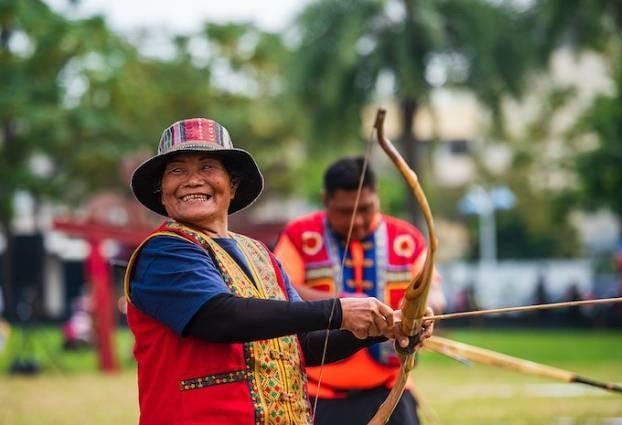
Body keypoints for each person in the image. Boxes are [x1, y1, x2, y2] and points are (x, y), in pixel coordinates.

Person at [123, 118, 434, 425]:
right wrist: (338, 310)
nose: (192, 180)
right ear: (161, 191)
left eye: (207, 167)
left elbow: (303, 343)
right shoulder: (163, 251)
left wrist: (383, 327)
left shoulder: (259, 254)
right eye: (177, 170)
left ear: (233, 185)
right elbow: (219, 317)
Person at [274, 156, 446, 425]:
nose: (358, 221)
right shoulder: (300, 235)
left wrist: (425, 311)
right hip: (319, 394)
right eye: (345, 212)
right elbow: (281, 288)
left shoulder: (406, 238)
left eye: (366, 208)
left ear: (377, 196)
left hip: (391, 389)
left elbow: (432, 290)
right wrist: (346, 307)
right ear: (325, 199)